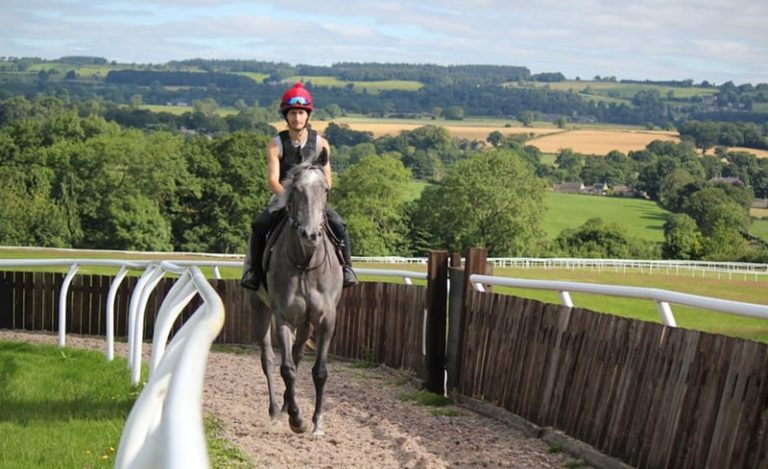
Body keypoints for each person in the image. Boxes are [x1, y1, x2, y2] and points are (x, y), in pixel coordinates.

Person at [241, 82, 358, 291]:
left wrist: (315, 200)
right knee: (259, 225)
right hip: (285, 199)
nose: (297, 118)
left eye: (301, 113)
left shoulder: (321, 143)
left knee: (340, 224)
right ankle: (254, 272)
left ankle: (347, 268)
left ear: (308, 116)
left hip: (313, 200)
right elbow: (273, 180)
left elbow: (328, 180)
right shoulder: (275, 144)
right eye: (293, 113)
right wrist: (287, 200)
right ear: (286, 116)